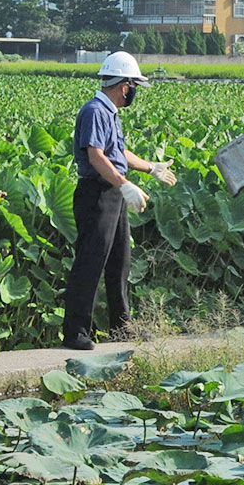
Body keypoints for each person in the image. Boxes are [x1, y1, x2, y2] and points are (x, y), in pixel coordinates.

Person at [63, 51, 176, 349]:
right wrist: (125, 184)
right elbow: (96, 156)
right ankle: (76, 331)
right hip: (96, 193)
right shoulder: (95, 111)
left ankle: (121, 327)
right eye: (134, 86)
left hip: (113, 193)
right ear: (125, 85)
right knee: (91, 260)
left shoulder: (109, 113)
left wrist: (151, 167)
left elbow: (117, 153)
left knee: (119, 261)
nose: (134, 92)